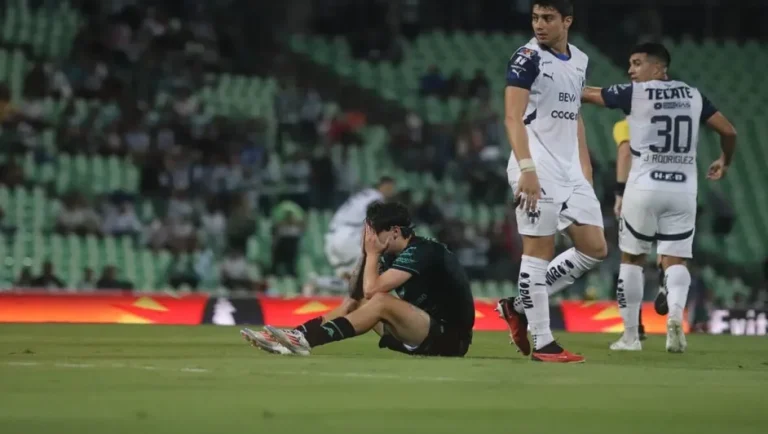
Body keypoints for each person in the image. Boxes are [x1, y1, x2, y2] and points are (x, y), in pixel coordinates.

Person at [581, 42, 737, 352]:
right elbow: (729, 132)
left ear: (658, 68)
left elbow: (591, 94)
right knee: (676, 260)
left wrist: (561, 85)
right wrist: (724, 161)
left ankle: (630, 337)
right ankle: (675, 319)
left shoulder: (636, 93)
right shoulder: (693, 95)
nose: (630, 70)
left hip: (644, 185)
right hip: (683, 189)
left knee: (632, 258)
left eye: (637, 63)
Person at [496, 0, 606, 363]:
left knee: (594, 248)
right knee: (537, 251)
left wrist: (584, 169)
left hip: (570, 168)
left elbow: (575, 116)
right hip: (536, 165)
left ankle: (518, 306)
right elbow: (512, 117)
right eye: (535, 17)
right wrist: (526, 167)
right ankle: (543, 342)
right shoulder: (526, 58)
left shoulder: (580, 60)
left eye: (547, 18)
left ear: (567, 21)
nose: (539, 25)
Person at [243, 202, 475, 357]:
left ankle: (306, 342)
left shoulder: (422, 251)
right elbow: (355, 295)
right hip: (423, 331)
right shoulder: (391, 255)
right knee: (357, 303)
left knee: (380, 301)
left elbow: (372, 289)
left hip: (450, 338)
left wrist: (371, 254)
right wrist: (366, 255)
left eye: (374, 233)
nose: (369, 238)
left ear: (394, 231)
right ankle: (294, 337)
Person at [613, 118, 647, 341]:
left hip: (638, 192)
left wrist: (619, 192)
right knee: (672, 257)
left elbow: (625, 152)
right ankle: (671, 300)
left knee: (632, 259)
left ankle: (634, 328)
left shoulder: (625, 125)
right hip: (677, 188)